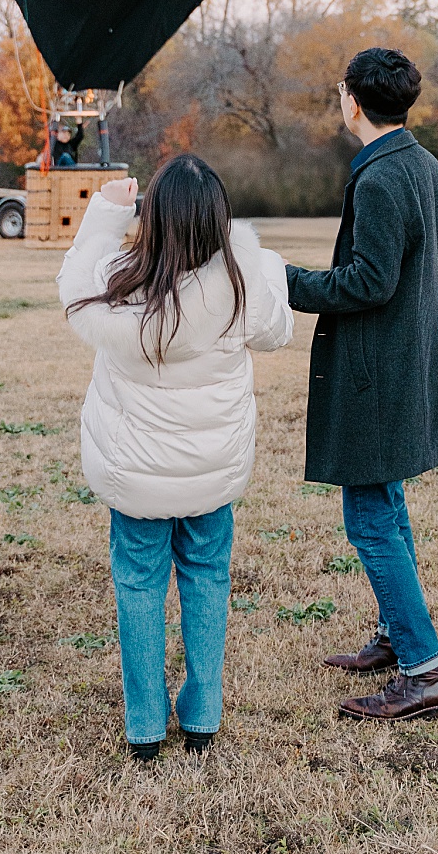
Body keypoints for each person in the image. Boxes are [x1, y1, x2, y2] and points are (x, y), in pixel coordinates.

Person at [60, 155, 292, 758]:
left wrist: (108, 211)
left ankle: (144, 726)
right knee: (208, 579)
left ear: (152, 217)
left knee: (138, 588)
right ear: (220, 220)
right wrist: (250, 253)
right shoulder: (241, 286)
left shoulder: (118, 284)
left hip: (135, 476)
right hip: (213, 473)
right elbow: (277, 330)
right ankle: (202, 717)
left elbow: (73, 283)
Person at [287, 46, 438, 724]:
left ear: (352, 101)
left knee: (370, 518)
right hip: (400, 366)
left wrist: (285, 280)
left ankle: (425, 672)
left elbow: (368, 282)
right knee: (386, 506)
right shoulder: (423, 164)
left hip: (377, 378)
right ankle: (395, 635)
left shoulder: (383, 178)